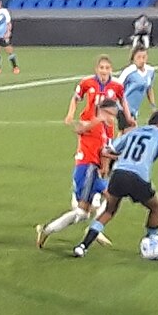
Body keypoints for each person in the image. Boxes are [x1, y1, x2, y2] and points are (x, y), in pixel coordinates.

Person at [72, 110, 158, 258]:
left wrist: (114, 164)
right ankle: (151, 241)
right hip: (137, 178)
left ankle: (82, 246)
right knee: (156, 207)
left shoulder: (134, 132)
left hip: (118, 174)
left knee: (109, 211)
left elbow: (107, 150)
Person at [35, 100, 119, 249]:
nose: (112, 118)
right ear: (101, 111)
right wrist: (98, 119)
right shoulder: (93, 122)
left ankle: (93, 228)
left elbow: (103, 150)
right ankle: (46, 229)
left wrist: (110, 161)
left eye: (114, 115)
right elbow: (78, 129)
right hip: (86, 169)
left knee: (110, 198)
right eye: (110, 114)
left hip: (95, 170)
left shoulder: (106, 128)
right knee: (82, 212)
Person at [64, 54, 133, 136]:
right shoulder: (86, 82)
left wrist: (128, 118)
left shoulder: (117, 85)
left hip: (107, 125)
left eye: (107, 68)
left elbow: (123, 101)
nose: (104, 71)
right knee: (88, 148)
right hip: (88, 125)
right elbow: (75, 98)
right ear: (96, 69)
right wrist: (70, 114)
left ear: (111, 70)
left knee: (107, 148)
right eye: (101, 68)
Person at [116, 46, 157, 131]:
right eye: (138, 57)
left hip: (135, 109)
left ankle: (111, 144)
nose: (142, 60)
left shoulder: (150, 71)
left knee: (124, 135)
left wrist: (153, 106)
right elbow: (117, 87)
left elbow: (149, 88)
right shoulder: (129, 71)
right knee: (131, 133)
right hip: (124, 108)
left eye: (144, 57)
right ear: (133, 58)